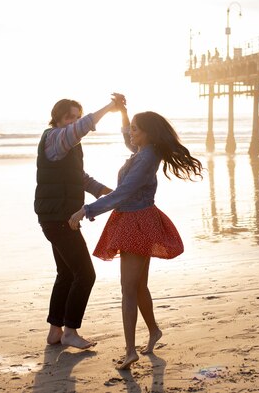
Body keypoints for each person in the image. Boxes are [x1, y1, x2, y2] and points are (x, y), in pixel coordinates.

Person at [69, 106, 203, 369]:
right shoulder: (144, 151)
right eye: (131, 129)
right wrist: (123, 115)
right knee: (138, 286)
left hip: (136, 223)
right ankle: (153, 331)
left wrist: (87, 210)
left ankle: (130, 351)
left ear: (148, 134)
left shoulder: (145, 158)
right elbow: (129, 143)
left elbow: (123, 192)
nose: (131, 134)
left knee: (128, 289)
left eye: (135, 130)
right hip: (137, 219)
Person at [35, 93, 125, 349]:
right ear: (57, 119)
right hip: (59, 218)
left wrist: (107, 193)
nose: (73, 122)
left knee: (66, 273)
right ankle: (71, 331)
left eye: (76, 117)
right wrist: (110, 107)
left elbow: (80, 177)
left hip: (55, 216)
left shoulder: (69, 146)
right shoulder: (54, 138)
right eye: (69, 117)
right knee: (85, 275)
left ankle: (55, 330)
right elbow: (82, 128)